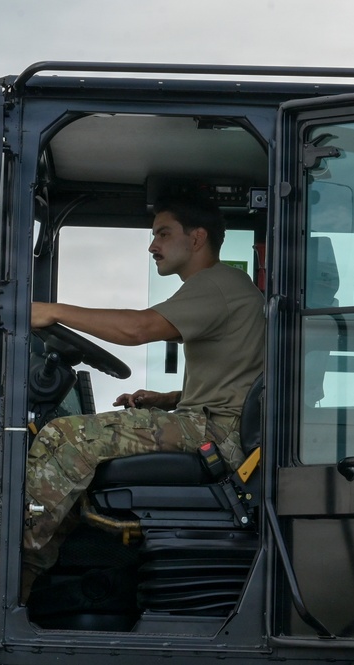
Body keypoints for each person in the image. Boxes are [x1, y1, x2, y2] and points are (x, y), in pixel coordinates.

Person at [23, 197, 265, 594]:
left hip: (217, 437)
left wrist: (54, 311)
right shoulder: (225, 287)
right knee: (74, 455)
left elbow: (138, 329)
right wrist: (167, 398)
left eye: (163, 234)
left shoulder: (216, 284)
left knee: (62, 437)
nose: (153, 246)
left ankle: (5, 563)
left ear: (198, 237)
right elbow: (238, 379)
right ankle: (35, 572)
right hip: (219, 427)